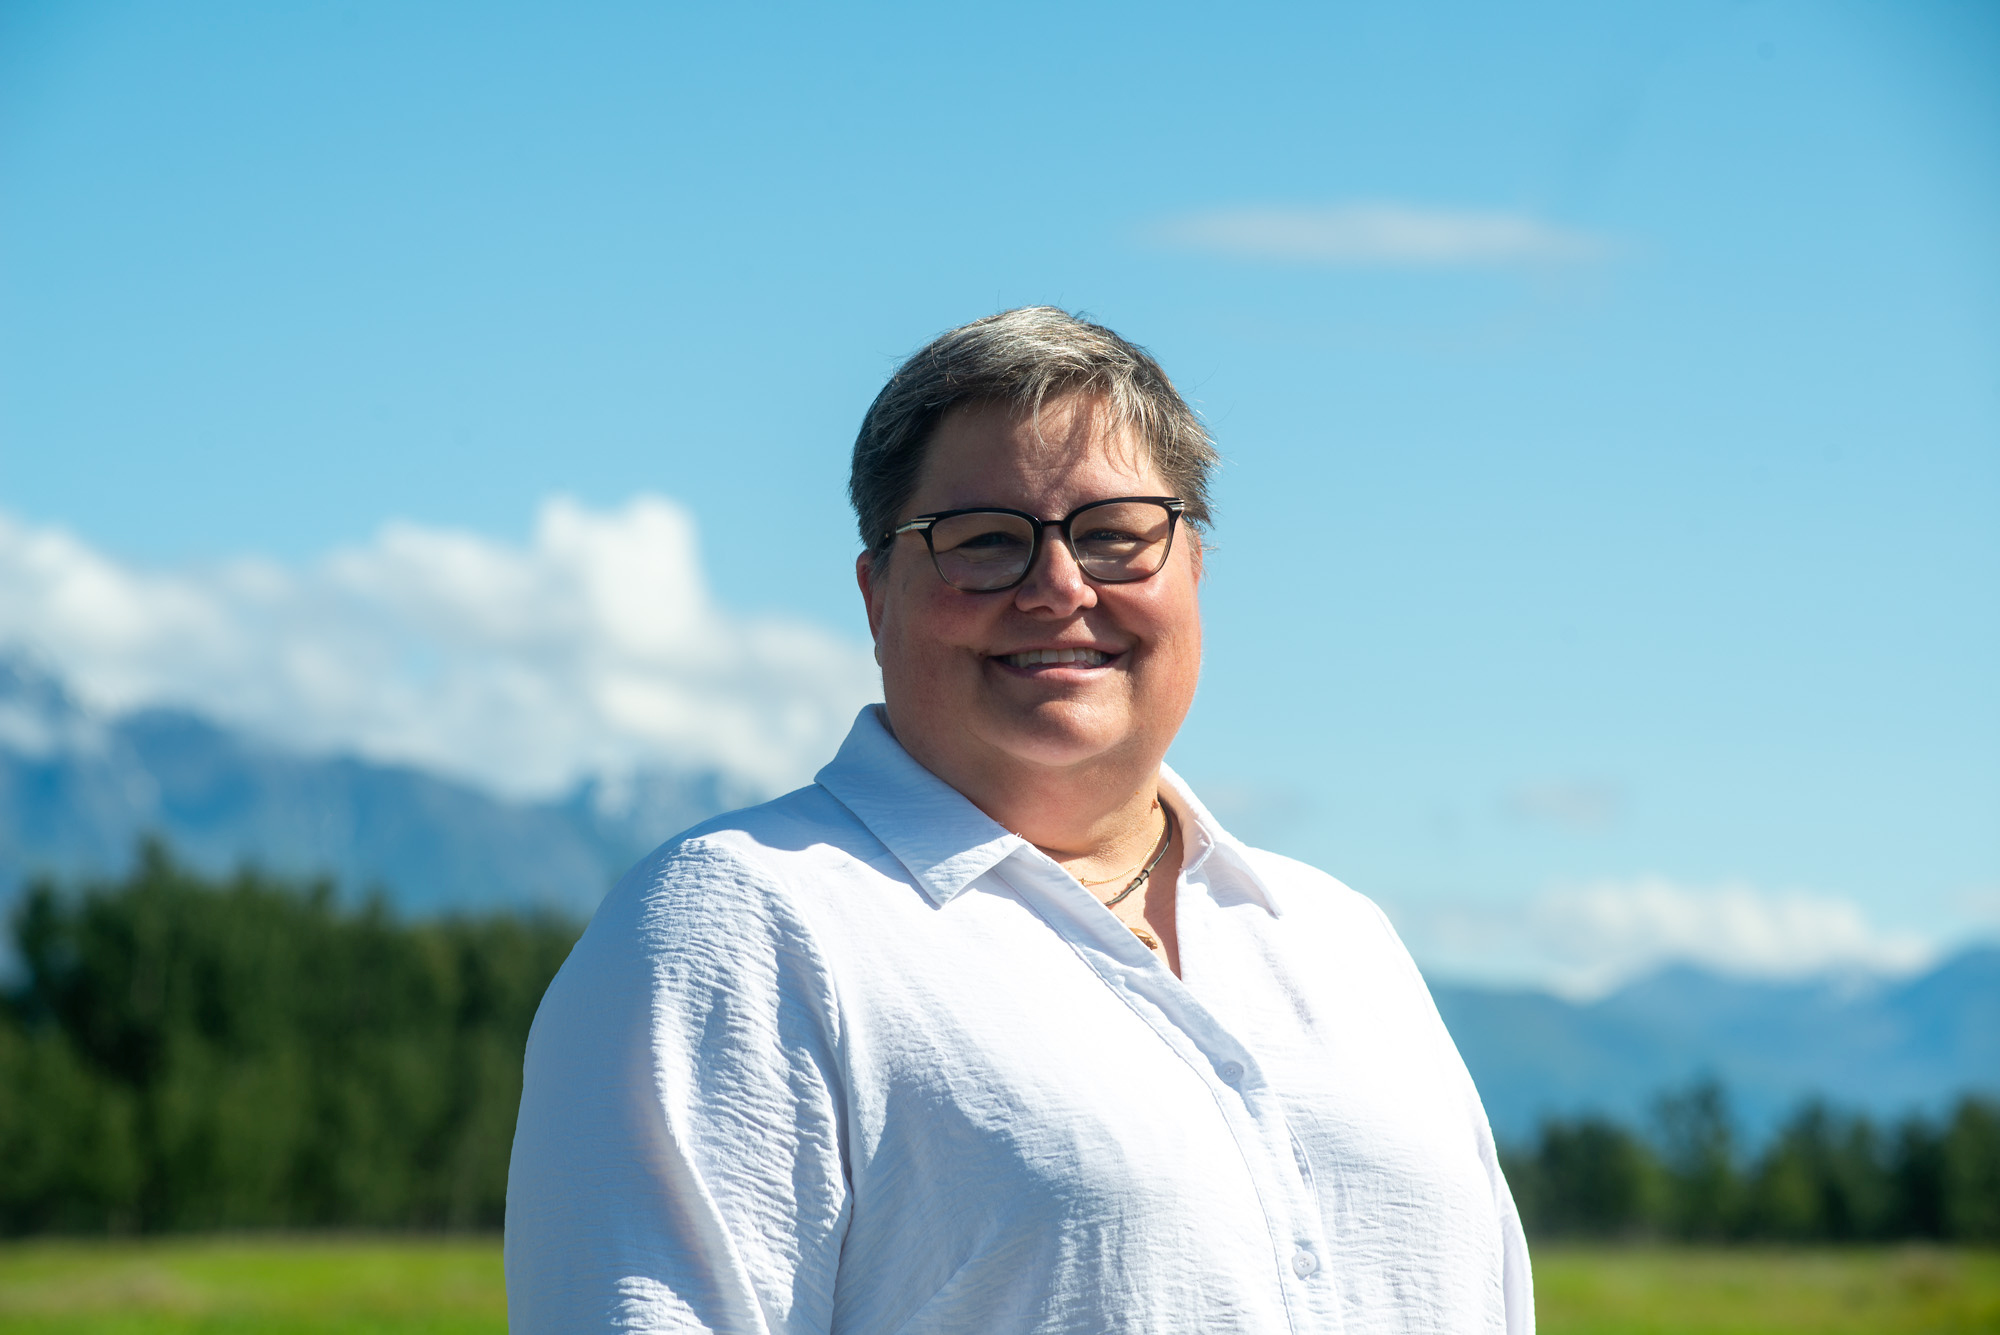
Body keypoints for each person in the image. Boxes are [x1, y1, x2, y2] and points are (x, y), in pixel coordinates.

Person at [505, 307, 1533, 1333]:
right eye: (985, 541)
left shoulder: (1337, 938)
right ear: (876, 597)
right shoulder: (742, 930)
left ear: (1194, 571)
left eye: (1116, 535)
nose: (1057, 587)